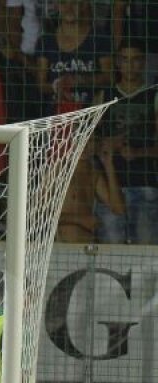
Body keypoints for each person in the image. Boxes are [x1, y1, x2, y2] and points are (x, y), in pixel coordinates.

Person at [94, 41, 158, 245]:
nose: (130, 65)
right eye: (125, 59)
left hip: (145, 185)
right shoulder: (104, 96)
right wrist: (105, 144)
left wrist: (139, 153)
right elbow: (87, 143)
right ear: (117, 63)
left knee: (145, 257)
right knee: (111, 253)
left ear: (144, 62)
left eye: (136, 60)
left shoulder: (153, 95)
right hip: (111, 188)